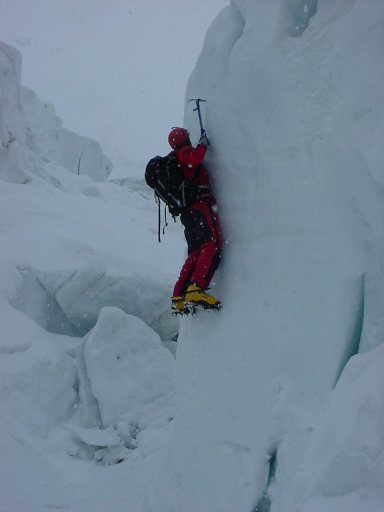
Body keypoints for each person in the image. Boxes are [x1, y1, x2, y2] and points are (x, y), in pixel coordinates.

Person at [167, 127, 222, 314]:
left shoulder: (174, 161)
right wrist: (202, 146)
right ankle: (196, 288)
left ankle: (179, 295)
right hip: (200, 207)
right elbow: (194, 159)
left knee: (195, 252)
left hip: (188, 214)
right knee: (211, 244)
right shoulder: (184, 154)